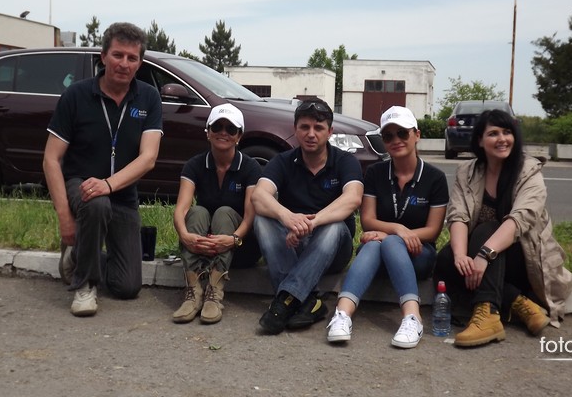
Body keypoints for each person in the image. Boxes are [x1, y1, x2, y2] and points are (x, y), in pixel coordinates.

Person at [43, 22, 163, 317]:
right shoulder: (76, 95)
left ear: (140, 63)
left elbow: (148, 158)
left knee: (127, 286)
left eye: (132, 58)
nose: (124, 64)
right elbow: (51, 159)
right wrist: (65, 219)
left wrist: (109, 184)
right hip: (81, 185)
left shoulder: (148, 97)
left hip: (122, 194)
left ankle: (80, 255)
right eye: (118, 55)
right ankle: (84, 285)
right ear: (103, 56)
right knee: (96, 203)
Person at [435, 109, 572, 347]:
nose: (502, 139)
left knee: (486, 230)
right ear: (480, 140)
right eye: (493, 133)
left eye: (507, 132)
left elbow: (520, 219)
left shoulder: (529, 170)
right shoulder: (467, 171)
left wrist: (483, 255)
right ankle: (519, 303)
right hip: (484, 258)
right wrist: (460, 256)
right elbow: (458, 215)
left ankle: (488, 313)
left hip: (522, 258)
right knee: (446, 259)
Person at [326, 106, 449, 348]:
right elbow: (368, 220)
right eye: (388, 136)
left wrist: (394, 236)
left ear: (417, 135)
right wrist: (398, 229)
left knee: (387, 241)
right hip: (378, 255)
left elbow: (433, 231)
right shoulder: (375, 173)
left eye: (402, 133)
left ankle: (412, 318)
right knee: (375, 245)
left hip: (418, 254)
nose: (396, 140)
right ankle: (342, 315)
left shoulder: (435, 178)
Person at [251, 98, 364, 335]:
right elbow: (259, 196)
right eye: (304, 127)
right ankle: (306, 301)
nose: (311, 134)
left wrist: (310, 224)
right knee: (262, 219)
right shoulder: (283, 161)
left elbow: (353, 198)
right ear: (295, 129)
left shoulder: (345, 161)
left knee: (334, 226)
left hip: (333, 249)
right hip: (292, 244)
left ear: (330, 132)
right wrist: (287, 217)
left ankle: (286, 299)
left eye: (318, 128)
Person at [172, 103, 262, 324]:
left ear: (239, 136)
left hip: (240, 247)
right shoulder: (194, 165)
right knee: (197, 212)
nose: (223, 132)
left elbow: (250, 216)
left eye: (231, 129)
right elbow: (181, 208)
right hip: (204, 246)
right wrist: (185, 235)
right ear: (208, 132)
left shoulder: (250, 167)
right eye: (217, 127)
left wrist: (233, 239)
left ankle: (214, 292)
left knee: (224, 212)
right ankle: (193, 290)